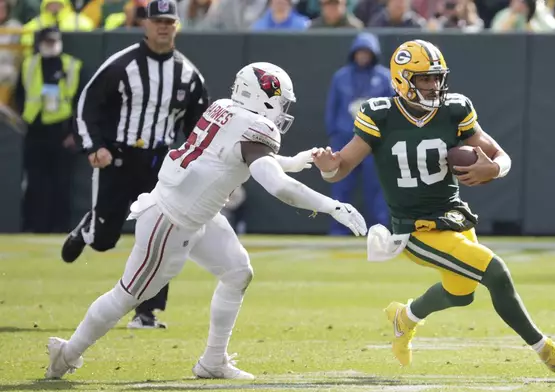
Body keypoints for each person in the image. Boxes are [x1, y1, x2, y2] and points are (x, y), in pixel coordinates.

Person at [45, 61, 367, 381]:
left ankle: (213, 362)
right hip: (171, 221)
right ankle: (67, 354)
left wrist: (294, 162)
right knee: (126, 296)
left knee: (238, 272)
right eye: (280, 101)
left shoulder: (224, 108)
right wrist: (332, 206)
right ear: (262, 96)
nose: (281, 110)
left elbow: (243, 155)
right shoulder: (255, 128)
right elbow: (279, 186)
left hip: (197, 213)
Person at [312, 39, 555, 372]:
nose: (434, 86)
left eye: (437, 78)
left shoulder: (455, 108)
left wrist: (495, 168)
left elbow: (499, 155)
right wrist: (327, 165)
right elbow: (340, 169)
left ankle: (404, 318)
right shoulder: (380, 114)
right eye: (425, 79)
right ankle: (548, 351)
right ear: (403, 79)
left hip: (454, 217)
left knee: (461, 293)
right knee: (496, 272)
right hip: (415, 228)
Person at [62, 0, 209, 329]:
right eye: (157, 20)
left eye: (169, 22)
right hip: (118, 157)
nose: (163, 27)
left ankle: (147, 312)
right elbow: (87, 105)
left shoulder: (188, 74)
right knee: (104, 240)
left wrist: (198, 164)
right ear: (144, 24)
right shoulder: (121, 65)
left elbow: (201, 126)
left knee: (162, 237)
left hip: (161, 164)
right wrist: (94, 146)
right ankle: (89, 228)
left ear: (177, 26)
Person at [16, 27, 87, 233]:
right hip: (35, 130)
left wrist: (74, 133)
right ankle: (35, 225)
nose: (51, 45)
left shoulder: (72, 66)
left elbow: (81, 103)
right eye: (47, 41)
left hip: (61, 131)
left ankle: (59, 226)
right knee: (36, 182)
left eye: (54, 41)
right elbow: (20, 94)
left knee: (61, 182)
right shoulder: (28, 64)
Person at [324, 32, 391, 235]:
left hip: (375, 142)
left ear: (374, 54)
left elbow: (393, 108)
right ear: (353, 53)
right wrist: (334, 132)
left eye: (367, 52)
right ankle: (338, 230)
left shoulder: (385, 77)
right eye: (359, 52)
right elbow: (332, 107)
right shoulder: (341, 76)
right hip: (345, 138)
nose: (363, 56)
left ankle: (380, 231)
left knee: (378, 188)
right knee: (340, 186)